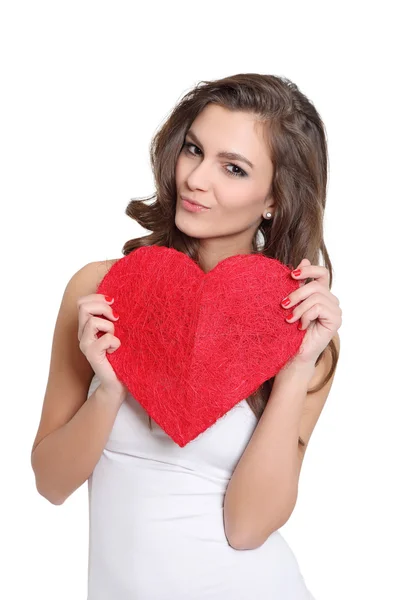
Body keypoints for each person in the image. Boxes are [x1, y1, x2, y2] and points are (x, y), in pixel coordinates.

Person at [31, 73, 342, 599]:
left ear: (273, 198)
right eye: (194, 149)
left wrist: (295, 368)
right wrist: (109, 390)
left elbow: (247, 528)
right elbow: (50, 483)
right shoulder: (99, 292)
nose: (196, 179)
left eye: (234, 168)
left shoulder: (304, 333)